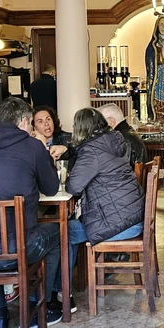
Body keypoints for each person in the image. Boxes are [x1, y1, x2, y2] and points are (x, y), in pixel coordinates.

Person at [0, 97, 63, 328]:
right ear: (23, 121)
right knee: (58, 233)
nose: (31, 128)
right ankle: (33, 309)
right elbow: (50, 188)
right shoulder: (33, 146)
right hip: (17, 251)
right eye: (30, 123)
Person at [65, 108, 145, 275]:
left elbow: (73, 187)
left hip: (119, 223)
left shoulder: (91, 151)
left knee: (63, 232)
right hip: (134, 217)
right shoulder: (115, 141)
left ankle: (62, 292)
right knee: (71, 227)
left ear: (80, 129)